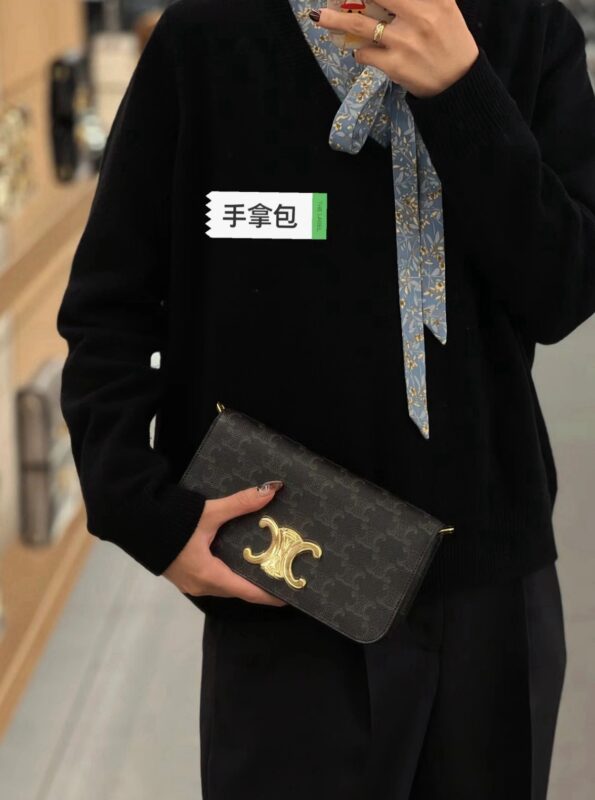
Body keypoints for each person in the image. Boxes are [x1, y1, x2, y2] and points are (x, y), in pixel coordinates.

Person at [56, 0, 595, 797]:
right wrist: (140, 509)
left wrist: (463, 90)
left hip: (489, 579)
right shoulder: (208, 38)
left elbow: (563, 290)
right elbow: (110, 306)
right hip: (288, 569)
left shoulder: (524, 29)